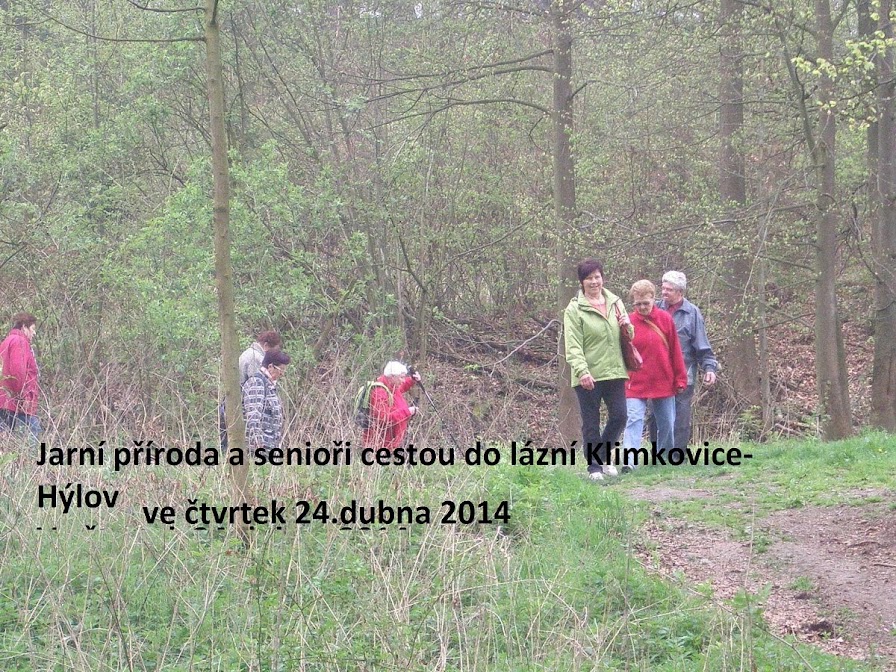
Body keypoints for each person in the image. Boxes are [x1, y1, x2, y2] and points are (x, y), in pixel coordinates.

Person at [563, 259, 631, 481]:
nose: (594, 282)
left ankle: (602, 456)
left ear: (603, 278)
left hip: (614, 371)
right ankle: (594, 468)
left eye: (597, 277)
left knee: (620, 416)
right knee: (591, 422)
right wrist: (582, 371)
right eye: (589, 278)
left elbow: (629, 337)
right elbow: (573, 345)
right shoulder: (574, 309)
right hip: (588, 374)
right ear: (582, 282)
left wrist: (627, 325)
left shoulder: (615, 302)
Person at [623, 281, 687, 468]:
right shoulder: (628, 323)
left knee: (666, 422)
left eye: (646, 303)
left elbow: (675, 351)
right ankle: (629, 463)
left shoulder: (665, 319)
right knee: (633, 419)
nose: (642, 307)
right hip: (636, 382)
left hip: (663, 380)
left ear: (653, 299)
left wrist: (680, 378)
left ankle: (664, 459)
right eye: (638, 304)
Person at [653, 271, 719, 449]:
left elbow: (702, 346)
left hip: (684, 373)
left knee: (680, 418)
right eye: (663, 288)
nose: (664, 292)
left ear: (680, 292)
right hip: (657, 374)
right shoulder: (654, 309)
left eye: (669, 289)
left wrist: (710, 368)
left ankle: (677, 456)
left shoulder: (692, 313)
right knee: (655, 417)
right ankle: (657, 456)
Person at [0, 312, 41, 440]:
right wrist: (22, 397)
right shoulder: (20, 342)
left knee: (6, 438)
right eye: (32, 329)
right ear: (24, 327)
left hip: (5, 400)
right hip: (17, 402)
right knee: (33, 433)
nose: (34, 333)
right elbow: (17, 372)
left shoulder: (7, 341)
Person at [363, 361, 421, 450]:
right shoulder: (379, 392)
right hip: (381, 445)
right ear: (392, 377)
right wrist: (407, 412)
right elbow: (384, 418)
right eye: (401, 377)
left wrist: (412, 380)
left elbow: (402, 386)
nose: (403, 380)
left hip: (392, 442)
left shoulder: (391, 387)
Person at [243, 350, 291, 455]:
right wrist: (257, 442)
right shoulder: (257, 382)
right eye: (281, 369)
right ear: (270, 367)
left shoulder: (270, 385)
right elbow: (253, 415)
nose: (282, 374)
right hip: (258, 449)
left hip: (269, 447)